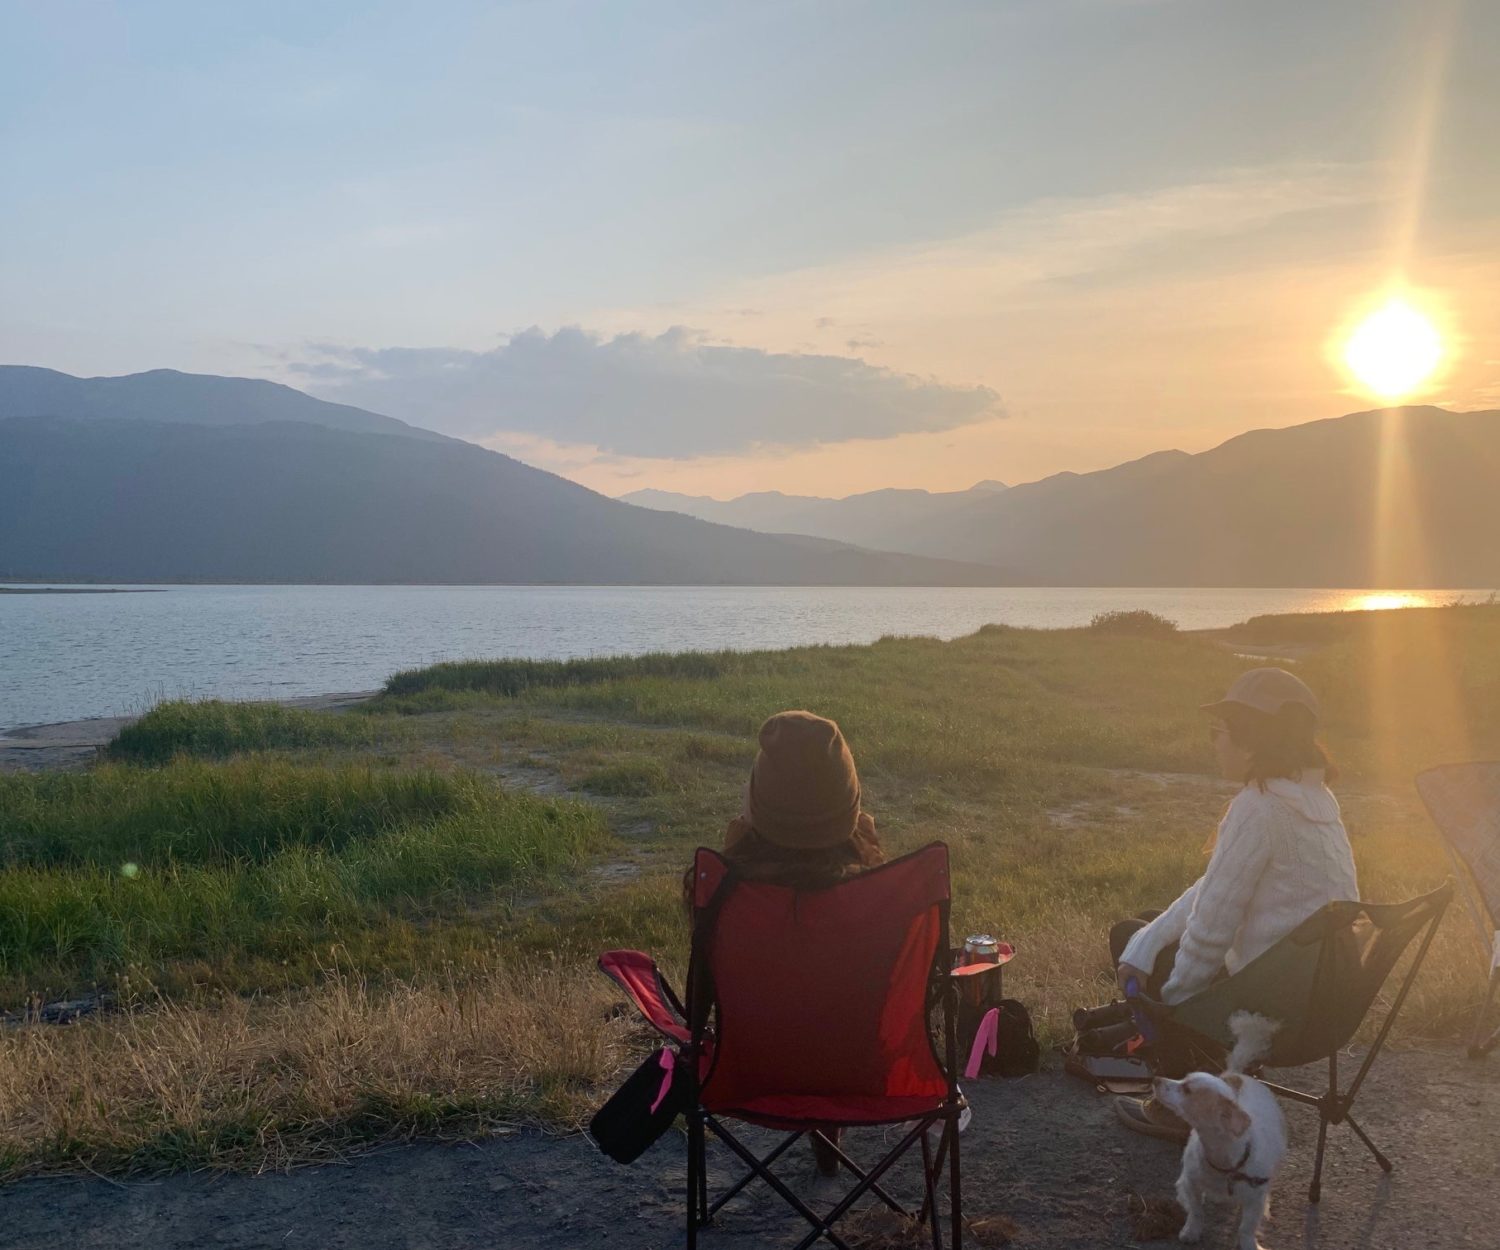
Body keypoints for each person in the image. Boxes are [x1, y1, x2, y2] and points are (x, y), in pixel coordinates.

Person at [1113, 668, 1358, 1141]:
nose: (1214, 743)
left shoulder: (1260, 807)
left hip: (1271, 1012)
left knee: (1129, 938)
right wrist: (1148, 940)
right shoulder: (1316, 799)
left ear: (1250, 741)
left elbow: (1211, 930)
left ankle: (1186, 1107)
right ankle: (1220, 1075)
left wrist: (1172, 1009)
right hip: (1321, 1002)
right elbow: (1216, 887)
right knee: (1143, 929)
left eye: (1219, 732)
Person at [685, 709, 883, 1174]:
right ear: (850, 804)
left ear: (757, 804)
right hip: (867, 1072)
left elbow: (697, 1009)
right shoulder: (882, 897)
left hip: (749, 1075)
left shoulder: (723, 893)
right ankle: (829, 1138)